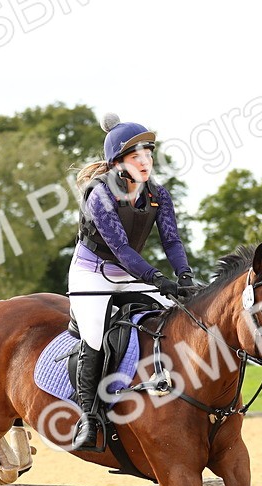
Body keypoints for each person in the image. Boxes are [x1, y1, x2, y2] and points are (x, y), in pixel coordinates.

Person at [68, 113, 195, 450]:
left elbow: (171, 242)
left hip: (129, 273)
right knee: (94, 337)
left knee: (180, 315)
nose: (145, 162)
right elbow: (122, 248)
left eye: (149, 154)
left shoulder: (158, 194)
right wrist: (156, 278)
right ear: (118, 164)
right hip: (92, 273)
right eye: (136, 156)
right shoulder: (100, 195)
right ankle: (88, 418)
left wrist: (184, 275)